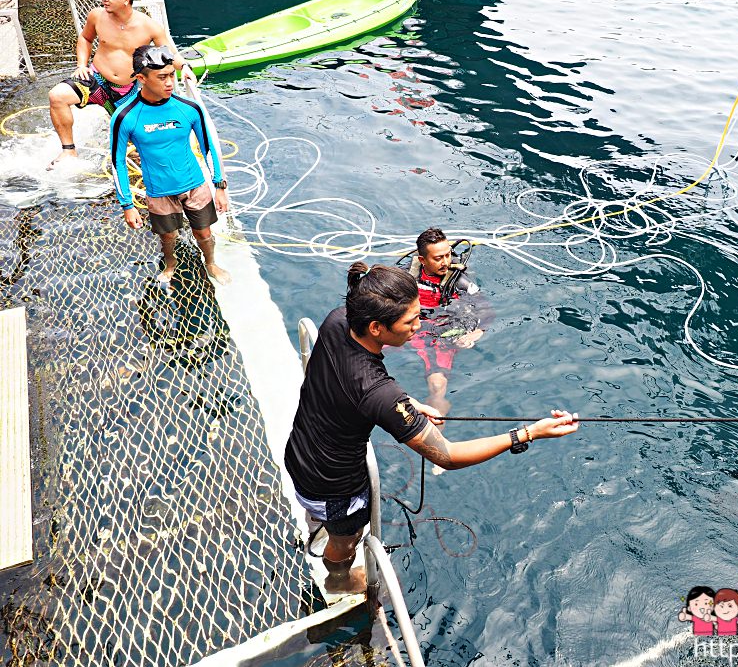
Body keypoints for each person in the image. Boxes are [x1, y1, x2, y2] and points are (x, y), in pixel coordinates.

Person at [284, 262, 579, 590]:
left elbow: (353, 388)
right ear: (377, 328)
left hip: (301, 451)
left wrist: (406, 405)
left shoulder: (338, 320)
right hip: (334, 487)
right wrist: (528, 433)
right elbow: (447, 456)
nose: (418, 325)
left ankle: (322, 524)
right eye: (410, 320)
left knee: (328, 517)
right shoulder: (378, 393)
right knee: (346, 539)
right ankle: (337, 579)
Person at [110, 45, 230, 285]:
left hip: (195, 184)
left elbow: (210, 148)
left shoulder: (188, 108)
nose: (169, 83)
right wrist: (127, 205)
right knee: (167, 236)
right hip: (159, 190)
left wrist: (220, 185)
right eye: (162, 77)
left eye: (171, 75)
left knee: (204, 232)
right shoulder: (125, 116)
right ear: (141, 78)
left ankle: (211, 262)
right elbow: (118, 163)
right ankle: (170, 263)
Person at [48, 0, 180, 166]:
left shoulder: (149, 26)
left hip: (127, 89)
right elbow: (85, 38)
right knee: (57, 96)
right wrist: (81, 65)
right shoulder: (97, 15)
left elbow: (169, 54)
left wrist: (184, 67)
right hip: (96, 78)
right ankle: (69, 151)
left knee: (143, 143)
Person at [408, 227, 488, 418]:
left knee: (437, 384)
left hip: (441, 332)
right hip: (410, 327)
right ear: (422, 260)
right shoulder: (406, 278)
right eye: (438, 258)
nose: (445, 262)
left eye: (448, 255)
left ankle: (435, 440)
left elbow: (486, 312)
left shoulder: (460, 282)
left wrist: (477, 332)